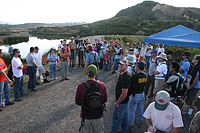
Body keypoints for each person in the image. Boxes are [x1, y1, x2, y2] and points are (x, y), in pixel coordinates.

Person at [75, 64, 107, 133]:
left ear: (87, 73)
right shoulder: (102, 85)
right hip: (98, 115)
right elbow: (105, 100)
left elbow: (77, 101)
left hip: (85, 115)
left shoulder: (81, 86)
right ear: (96, 73)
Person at [110, 59, 132, 133]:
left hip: (121, 103)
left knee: (116, 120)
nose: (120, 66)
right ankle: (125, 131)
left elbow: (124, 93)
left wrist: (117, 103)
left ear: (126, 66)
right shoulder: (122, 75)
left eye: (122, 65)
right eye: (119, 64)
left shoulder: (125, 78)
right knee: (124, 119)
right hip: (124, 102)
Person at [128, 61, 147, 132]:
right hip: (142, 94)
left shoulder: (135, 76)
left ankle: (130, 125)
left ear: (138, 67)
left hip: (135, 94)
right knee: (140, 109)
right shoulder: (145, 75)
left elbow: (131, 86)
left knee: (131, 111)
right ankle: (140, 122)